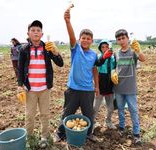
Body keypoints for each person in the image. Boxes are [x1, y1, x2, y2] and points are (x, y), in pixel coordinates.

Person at [54, 7, 112, 142]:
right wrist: (68, 22)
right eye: (83, 38)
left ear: (92, 41)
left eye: (88, 38)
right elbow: (71, 36)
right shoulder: (76, 50)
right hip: (73, 89)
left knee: (89, 115)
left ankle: (89, 133)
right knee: (67, 113)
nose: (85, 40)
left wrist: (96, 86)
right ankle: (60, 133)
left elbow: (95, 69)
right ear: (79, 39)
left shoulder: (93, 55)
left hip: (87, 90)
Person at [17, 20, 64, 148]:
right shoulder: (24, 49)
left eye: (38, 30)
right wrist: (20, 85)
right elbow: (20, 69)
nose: (36, 32)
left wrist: (55, 52)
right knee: (29, 115)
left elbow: (60, 63)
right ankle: (30, 137)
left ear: (42, 34)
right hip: (30, 89)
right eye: (33, 30)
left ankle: (44, 137)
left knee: (45, 114)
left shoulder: (47, 48)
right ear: (28, 33)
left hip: (44, 88)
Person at [111, 29, 145, 145]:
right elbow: (114, 67)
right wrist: (113, 73)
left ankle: (136, 134)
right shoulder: (116, 53)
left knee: (133, 110)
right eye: (119, 39)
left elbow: (143, 59)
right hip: (119, 88)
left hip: (131, 89)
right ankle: (121, 128)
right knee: (120, 109)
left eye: (123, 38)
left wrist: (139, 51)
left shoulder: (133, 52)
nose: (121, 41)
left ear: (127, 39)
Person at [93, 40, 117, 129]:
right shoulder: (99, 57)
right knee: (95, 107)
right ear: (100, 48)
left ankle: (108, 121)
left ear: (109, 48)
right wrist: (96, 86)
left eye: (106, 47)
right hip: (100, 85)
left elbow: (116, 69)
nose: (104, 49)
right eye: (102, 47)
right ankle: (93, 123)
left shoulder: (113, 58)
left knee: (110, 107)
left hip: (110, 85)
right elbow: (95, 69)